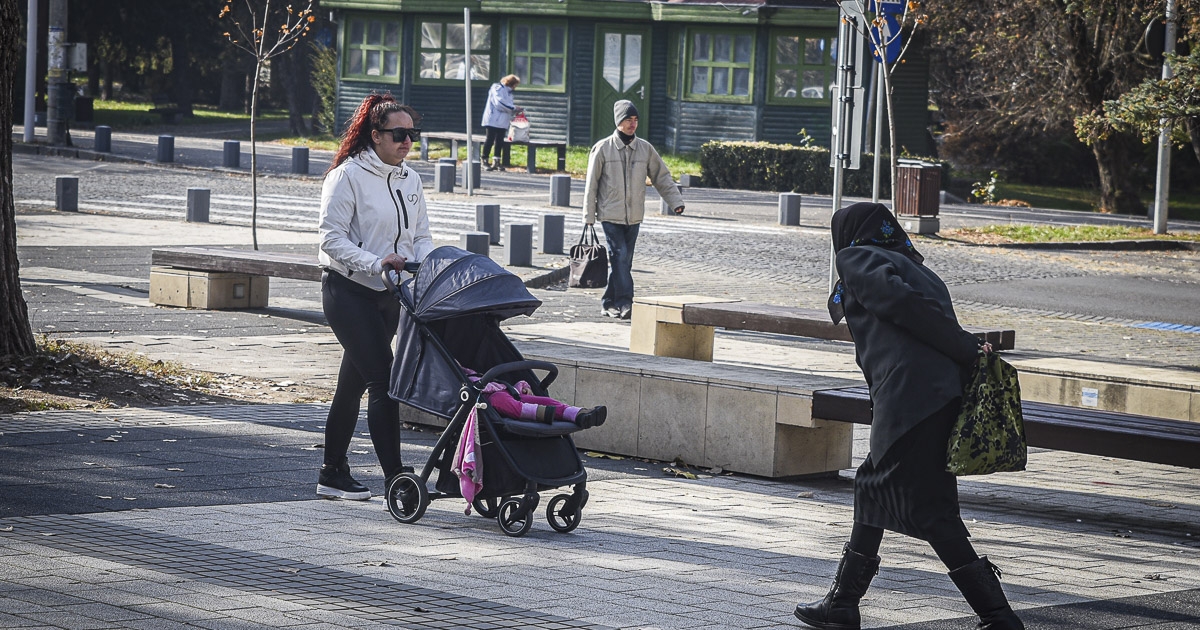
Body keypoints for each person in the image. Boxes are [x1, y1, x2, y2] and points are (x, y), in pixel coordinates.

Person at [794, 202, 1023, 630]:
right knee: (873, 486)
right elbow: (920, 315)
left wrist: (966, 348)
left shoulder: (856, 256)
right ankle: (842, 605)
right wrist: (965, 349)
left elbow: (905, 307)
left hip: (911, 401)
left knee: (931, 510)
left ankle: (998, 616)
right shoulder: (911, 264)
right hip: (933, 397)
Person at [315, 92, 433, 501]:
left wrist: (422, 265)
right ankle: (396, 478)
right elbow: (331, 239)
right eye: (399, 134)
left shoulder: (410, 177)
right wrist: (375, 262)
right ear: (375, 135)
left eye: (412, 134)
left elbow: (420, 235)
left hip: (390, 295)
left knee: (352, 386)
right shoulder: (347, 175)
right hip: (348, 291)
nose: (407, 141)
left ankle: (332, 472)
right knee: (385, 380)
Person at [583, 100, 684, 320]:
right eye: (628, 119)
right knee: (619, 257)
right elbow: (591, 184)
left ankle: (608, 302)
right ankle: (625, 302)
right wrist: (589, 216)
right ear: (619, 121)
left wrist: (675, 201)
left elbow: (662, 177)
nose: (632, 124)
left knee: (624, 262)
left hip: (635, 216)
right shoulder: (602, 148)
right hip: (610, 214)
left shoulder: (645, 149)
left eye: (635, 119)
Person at [462, 366, 607, 428]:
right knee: (504, 402)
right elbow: (481, 388)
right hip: (487, 401)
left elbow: (503, 384)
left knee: (545, 401)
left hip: (511, 392)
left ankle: (579, 415)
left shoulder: (474, 373)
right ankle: (542, 413)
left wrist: (523, 386)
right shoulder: (464, 380)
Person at [481, 75, 523, 171]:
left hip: (503, 119)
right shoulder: (497, 88)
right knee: (490, 139)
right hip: (493, 118)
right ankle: (484, 160)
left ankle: (496, 161)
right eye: (515, 85)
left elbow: (507, 105)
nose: (515, 87)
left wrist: (515, 109)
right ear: (511, 83)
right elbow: (499, 103)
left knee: (500, 141)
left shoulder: (509, 93)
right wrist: (514, 108)